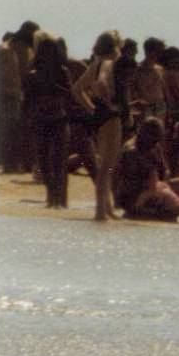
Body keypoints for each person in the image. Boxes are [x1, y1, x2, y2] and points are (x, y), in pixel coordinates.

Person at [73, 31, 124, 222]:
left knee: (105, 163)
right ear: (116, 46)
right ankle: (100, 211)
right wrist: (109, 103)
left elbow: (77, 89)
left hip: (99, 115)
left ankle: (107, 208)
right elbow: (103, 83)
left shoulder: (96, 63)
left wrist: (91, 107)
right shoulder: (110, 63)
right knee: (107, 166)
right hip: (110, 115)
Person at [116, 117, 179, 222]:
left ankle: (162, 205)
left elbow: (163, 172)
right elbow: (130, 181)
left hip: (150, 187)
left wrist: (161, 184)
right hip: (135, 194)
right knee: (170, 206)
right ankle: (155, 210)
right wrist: (153, 191)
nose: (156, 142)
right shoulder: (132, 151)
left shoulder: (153, 146)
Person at [25, 33, 71, 208]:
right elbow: (28, 99)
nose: (47, 56)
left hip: (59, 118)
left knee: (59, 161)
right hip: (40, 119)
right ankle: (51, 194)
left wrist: (53, 85)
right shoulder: (32, 74)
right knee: (43, 162)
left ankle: (58, 199)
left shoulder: (62, 72)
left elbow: (69, 94)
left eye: (51, 52)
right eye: (44, 52)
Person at [0, 21, 39, 174]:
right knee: (10, 130)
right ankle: (10, 164)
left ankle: (17, 163)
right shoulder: (5, 50)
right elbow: (8, 77)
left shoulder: (23, 49)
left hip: (17, 95)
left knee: (16, 130)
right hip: (8, 95)